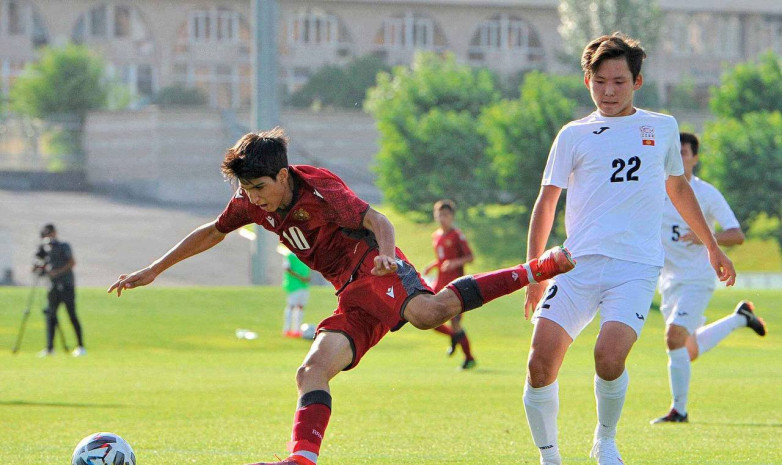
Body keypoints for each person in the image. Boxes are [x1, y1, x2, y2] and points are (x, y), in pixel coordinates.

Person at [108, 127, 575, 465]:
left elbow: (379, 222)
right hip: (349, 295)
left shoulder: (321, 189)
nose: (253, 199)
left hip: (372, 267)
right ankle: (302, 460)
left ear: (283, 174)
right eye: (246, 190)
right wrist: (153, 270)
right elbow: (213, 231)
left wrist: (389, 256)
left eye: (258, 188)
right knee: (311, 369)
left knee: (430, 313)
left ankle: (537, 267)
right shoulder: (252, 201)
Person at [521, 33, 736, 465]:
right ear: (588, 81)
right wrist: (534, 271)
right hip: (574, 266)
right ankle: (550, 457)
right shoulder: (572, 135)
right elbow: (547, 201)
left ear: (637, 82)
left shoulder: (662, 127)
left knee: (609, 355)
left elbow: (678, 187)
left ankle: (605, 440)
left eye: (619, 81)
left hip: (635, 267)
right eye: (600, 82)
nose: (609, 91)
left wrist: (713, 246)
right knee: (540, 364)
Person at [651, 132, 766, 424]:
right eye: (673, 153)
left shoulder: (706, 194)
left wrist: (706, 237)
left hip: (698, 278)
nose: (678, 158)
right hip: (669, 282)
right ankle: (740, 318)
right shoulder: (655, 191)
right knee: (685, 350)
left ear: (695, 158)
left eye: (684, 153)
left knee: (674, 337)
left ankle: (679, 411)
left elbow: (737, 235)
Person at [423, 199, 477, 369]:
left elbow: (470, 257)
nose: (442, 218)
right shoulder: (436, 236)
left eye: (445, 215)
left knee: (455, 323)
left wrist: (454, 263)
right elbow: (441, 259)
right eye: (439, 214)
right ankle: (454, 337)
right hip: (440, 284)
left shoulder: (457, 235)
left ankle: (469, 358)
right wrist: (433, 265)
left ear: (452, 216)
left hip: (456, 287)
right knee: (428, 318)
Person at [34, 224, 85, 357]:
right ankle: (50, 348)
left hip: (66, 285)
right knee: (50, 316)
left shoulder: (63, 246)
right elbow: (39, 264)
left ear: (55, 233)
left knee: (72, 315)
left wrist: (57, 272)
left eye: (49, 234)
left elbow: (72, 262)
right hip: (52, 287)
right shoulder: (44, 249)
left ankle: (80, 346)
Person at [279, 244, 312, 338]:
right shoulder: (290, 255)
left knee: (301, 307)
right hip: (294, 285)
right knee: (291, 306)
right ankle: (287, 329)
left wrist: (307, 277)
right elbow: (287, 268)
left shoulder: (304, 254)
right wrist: (300, 277)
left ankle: (297, 330)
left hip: (304, 285)